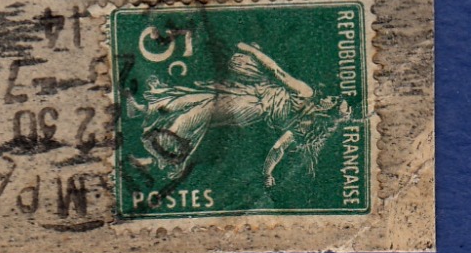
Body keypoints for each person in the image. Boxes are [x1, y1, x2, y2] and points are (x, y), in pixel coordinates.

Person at [126, 41, 350, 189]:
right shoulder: (305, 124)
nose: (330, 97)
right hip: (253, 91)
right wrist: (267, 175)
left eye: (334, 100)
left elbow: (277, 72)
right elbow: (278, 149)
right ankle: (145, 110)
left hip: (252, 105)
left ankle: (164, 147)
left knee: (203, 110)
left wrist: (252, 51)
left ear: (327, 110)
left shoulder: (306, 94)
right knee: (197, 97)